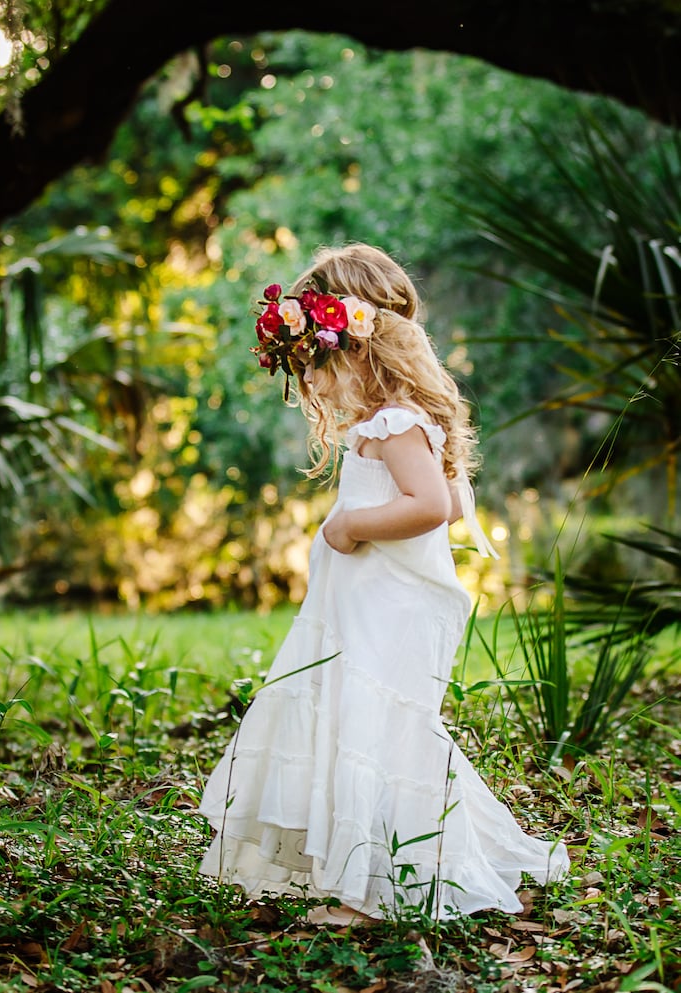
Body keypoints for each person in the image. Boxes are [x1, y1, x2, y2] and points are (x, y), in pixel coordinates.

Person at [197, 243, 570, 925]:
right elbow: (456, 504)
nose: (313, 379)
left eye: (318, 360)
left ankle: (369, 894)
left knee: (373, 730)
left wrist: (352, 526)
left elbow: (431, 507)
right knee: (378, 730)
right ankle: (365, 868)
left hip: (383, 606)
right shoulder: (400, 418)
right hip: (367, 606)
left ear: (357, 344)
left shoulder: (394, 423)